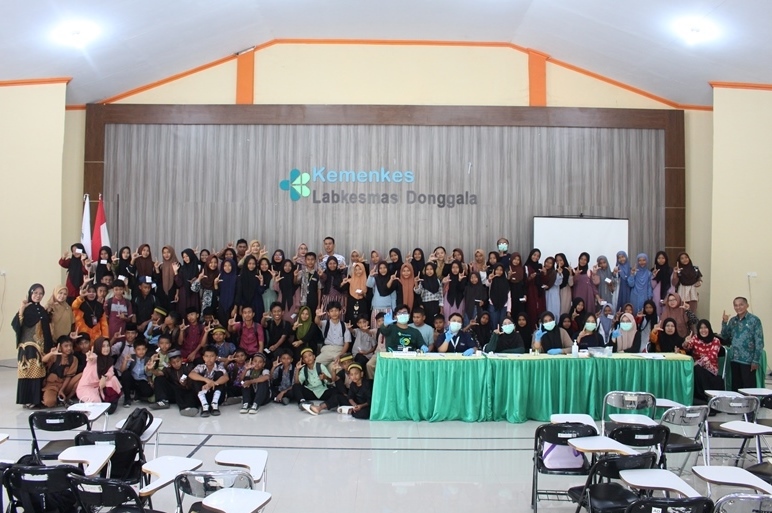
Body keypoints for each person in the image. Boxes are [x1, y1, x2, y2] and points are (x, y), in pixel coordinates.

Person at [12, 284, 54, 408]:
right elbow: (16, 325)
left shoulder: (42, 310)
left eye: (41, 293)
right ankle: (27, 400)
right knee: (28, 372)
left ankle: (36, 400)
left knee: (38, 372)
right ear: (30, 293)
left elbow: (47, 330)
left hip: (40, 347)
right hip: (27, 347)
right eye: (35, 293)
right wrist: (21, 310)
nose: (38, 296)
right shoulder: (26, 308)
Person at [721, 297, 764, 391]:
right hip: (734, 359)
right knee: (736, 388)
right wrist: (724, 322)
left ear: (747, 305)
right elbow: (725, 337)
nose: (738, 307)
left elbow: (759, 341)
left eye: (741, 305)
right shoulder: (733, 321)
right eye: (736, 305)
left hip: (748, 361)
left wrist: (755, 361)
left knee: (749, 389)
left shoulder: (754, 320)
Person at [304, 363, 372, 419]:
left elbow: (370, 401)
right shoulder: (353, 384)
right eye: (351, 375)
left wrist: (360, 406)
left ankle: (349, 411)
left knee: (363, 414)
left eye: (356, 374)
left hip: (365, 405)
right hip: (356, 404)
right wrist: (355, 405)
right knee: (337, 397)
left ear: (362, 374)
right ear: (349, 376)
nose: (354, 376)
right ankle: (319, 408)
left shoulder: (367, 384)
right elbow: (350, 397)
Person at [682, 320, 724, 404]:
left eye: (705, 328)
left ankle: (703, 398)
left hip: (711, 370)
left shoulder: (715, 340)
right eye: (701, 328)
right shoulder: (695, 338)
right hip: (697, 369)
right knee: (694, 370)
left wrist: (696, 364)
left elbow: (711, 356)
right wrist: (686, 342)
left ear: (709, 328)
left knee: (697, 369)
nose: (703, 330)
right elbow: (687, 348)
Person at [76, 338, 122, 412]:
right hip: (86, 388)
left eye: (108, 346)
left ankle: (111, 401)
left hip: (99, 387)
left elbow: (111, 372)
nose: (106, 348)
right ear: (98, 347)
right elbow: (91, 359)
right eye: (103, 346)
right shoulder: (94, 357)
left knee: (113, 379)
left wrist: (104, 377)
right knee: (96, 403)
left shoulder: (109, 359)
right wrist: (90, 358)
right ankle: (87, 402)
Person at [151, 350, 199, 416]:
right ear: (170, 363)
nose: (176, 364)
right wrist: (151, 369)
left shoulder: (188, 367)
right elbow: (159, 373)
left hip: (186, 392)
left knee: (189, 392)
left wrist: (186, 383)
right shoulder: (168, 369)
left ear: (181, 359)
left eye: (178, 361)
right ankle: (163, 401)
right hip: (174, 392)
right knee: (159, 379)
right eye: (173, 362)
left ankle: (186, 409)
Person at [189, 346, 229, 417]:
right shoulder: (200, 366)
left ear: (216, 357)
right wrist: (206, 380)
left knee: (219, 374)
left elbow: (226, 377)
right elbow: (191, 374)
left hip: (216, 395)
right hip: (202, 394)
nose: (209, 358)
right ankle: (204, 406)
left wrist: (213, 383)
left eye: (212, 356)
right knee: (197, 377)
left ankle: (214, 405)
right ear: (203, 358)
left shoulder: (219, 367)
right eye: (207, 356)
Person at [41, 336, 79, 407]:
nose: (69, 348)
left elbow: (68, 377)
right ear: (60, 347)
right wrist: (51, 353)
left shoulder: (74, 359)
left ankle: (67, 398)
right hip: (52, 386)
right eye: (66, 346)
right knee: (50, 403)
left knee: (82, 375)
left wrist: (61, 390)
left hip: (65, 386)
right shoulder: (54, 356)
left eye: (70, 345)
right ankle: (55, 398)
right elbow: (43, 360)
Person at [119, 339, 154, 407]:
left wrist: (149, 370)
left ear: (146, 350)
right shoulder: (131, 357)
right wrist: (125, 361)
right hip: (132, 380)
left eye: (143, 349)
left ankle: (138, 394)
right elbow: (122, 371)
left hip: (142, 380)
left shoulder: (148, 359)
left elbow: (148, 374)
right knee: (126, 374)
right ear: (134, 350)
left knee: (149, 392)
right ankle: (127, 398)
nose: (141, 351)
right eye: (138, 349)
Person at [314, 301, 351, 366]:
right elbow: (317, 322)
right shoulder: (325, 323)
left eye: (336, 310)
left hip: (339, 350)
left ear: (340, 311)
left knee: (341, 368)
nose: (334, 313)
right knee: (315, 365)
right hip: (327, 350)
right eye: (331, 311)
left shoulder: (345, 325)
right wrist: (317, 316)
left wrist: (340, 355)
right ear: (328, 313)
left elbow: (346, 343)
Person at [651, 251, 674, 316]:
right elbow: (652, 286)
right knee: (657, 314)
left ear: (666, 259)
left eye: (663, 258)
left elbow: (672, 285)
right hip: (656, 296)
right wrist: (654, 276)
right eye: (659, 258)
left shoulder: (670, 270)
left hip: (667, 295)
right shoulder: (653, 270)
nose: (661, 260)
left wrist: (668, 296)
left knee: (667, 315)